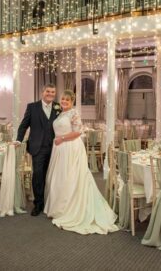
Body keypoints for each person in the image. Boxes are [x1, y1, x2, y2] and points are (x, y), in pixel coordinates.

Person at [44, 90, 118, 235]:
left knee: (70, 178)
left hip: (70, 148)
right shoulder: (60, 113)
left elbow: (78, 132)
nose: (64, 101)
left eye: (67, 100)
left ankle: (70, 209)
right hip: (59, 149)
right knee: (60, 178)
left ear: (72, 102)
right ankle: (59, 208)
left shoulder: (74, 113)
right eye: (63, 99)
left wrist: (62, 139)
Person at [16, 83, 60, 216]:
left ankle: (50, 202)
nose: (50, 94)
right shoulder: (32, 107)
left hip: (55, 148)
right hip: (37, 148)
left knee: (52, 175)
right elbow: (23, 126)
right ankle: (38, 203)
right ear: (43, 92)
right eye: (48, 91)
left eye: (53, 92)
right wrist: (19, 139)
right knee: (38, 176)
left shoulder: (58, 107)